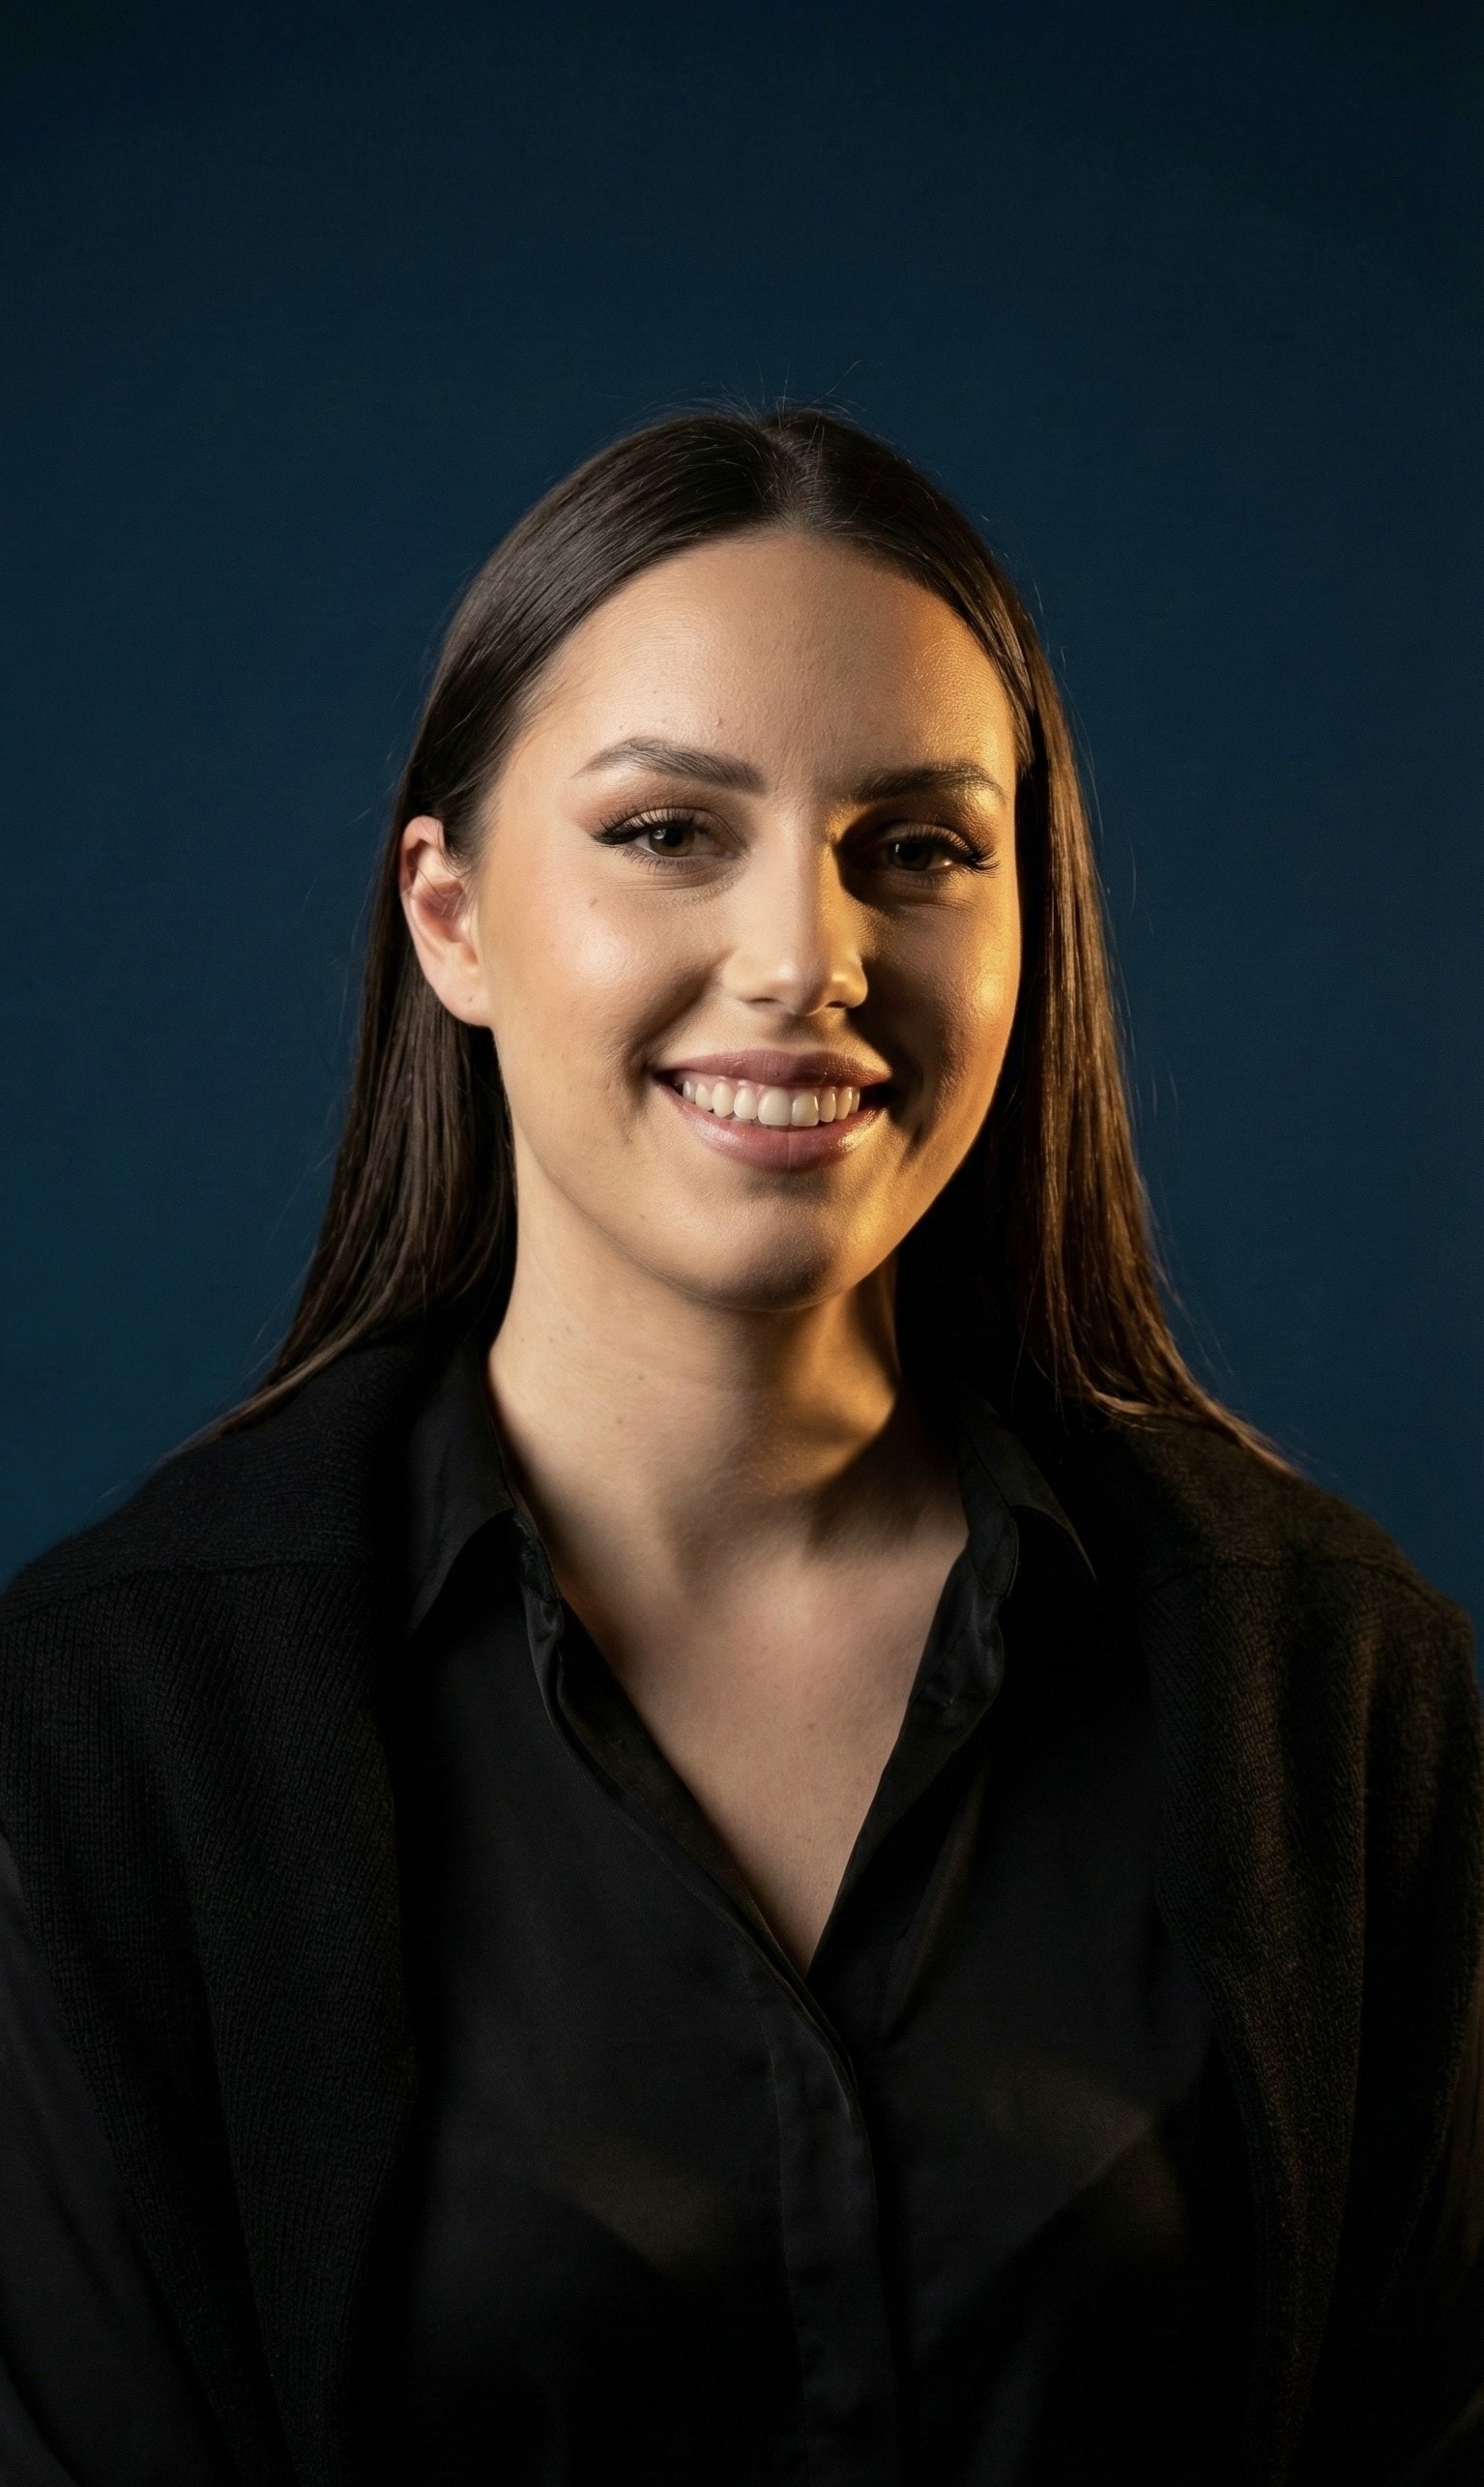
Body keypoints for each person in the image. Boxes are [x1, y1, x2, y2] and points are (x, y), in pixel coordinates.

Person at [0, 408, 1479, 2487]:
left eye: (920, 845)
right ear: (452, 920)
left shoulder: (1331, 1688)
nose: (809, 957)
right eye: (669, 830)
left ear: (1025, 919)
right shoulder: (105, 1738)